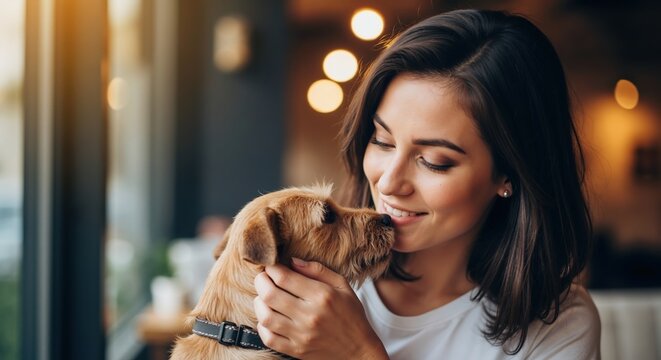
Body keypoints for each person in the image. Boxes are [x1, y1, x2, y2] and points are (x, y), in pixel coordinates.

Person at [253, 9, 601, 359]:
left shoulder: (558, 324)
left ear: (509, 173)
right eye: (382, 141)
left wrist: (360, 353)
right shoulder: (295, 283)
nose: (389, 183)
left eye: (434, 162)